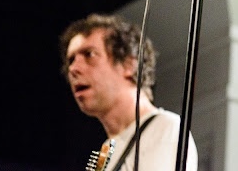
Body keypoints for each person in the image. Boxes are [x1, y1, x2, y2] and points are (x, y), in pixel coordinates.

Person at [60, 13, 198, 171]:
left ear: (129, 64)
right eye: (71, 60)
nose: (73, 69)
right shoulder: (106, 150)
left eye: (89, 54)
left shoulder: (165, 129)